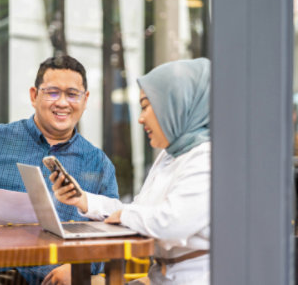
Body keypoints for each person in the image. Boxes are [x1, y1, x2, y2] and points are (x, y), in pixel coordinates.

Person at [51, 58, 211, 285]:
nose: (140, 118)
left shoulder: (206, 157)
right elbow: (141, 211)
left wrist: (126, 216)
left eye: (146, 106)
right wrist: (83, 199)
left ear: (177, 105)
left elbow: (171, 224)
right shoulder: (170, 155)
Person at [0, 55, 118, 285]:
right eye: (52, 92)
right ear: (34, 96)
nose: (62, 103)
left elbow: (112, 237)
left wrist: (80, 266)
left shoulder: (98, 164)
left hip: (60, 279)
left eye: (72, 94)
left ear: (85, 100)